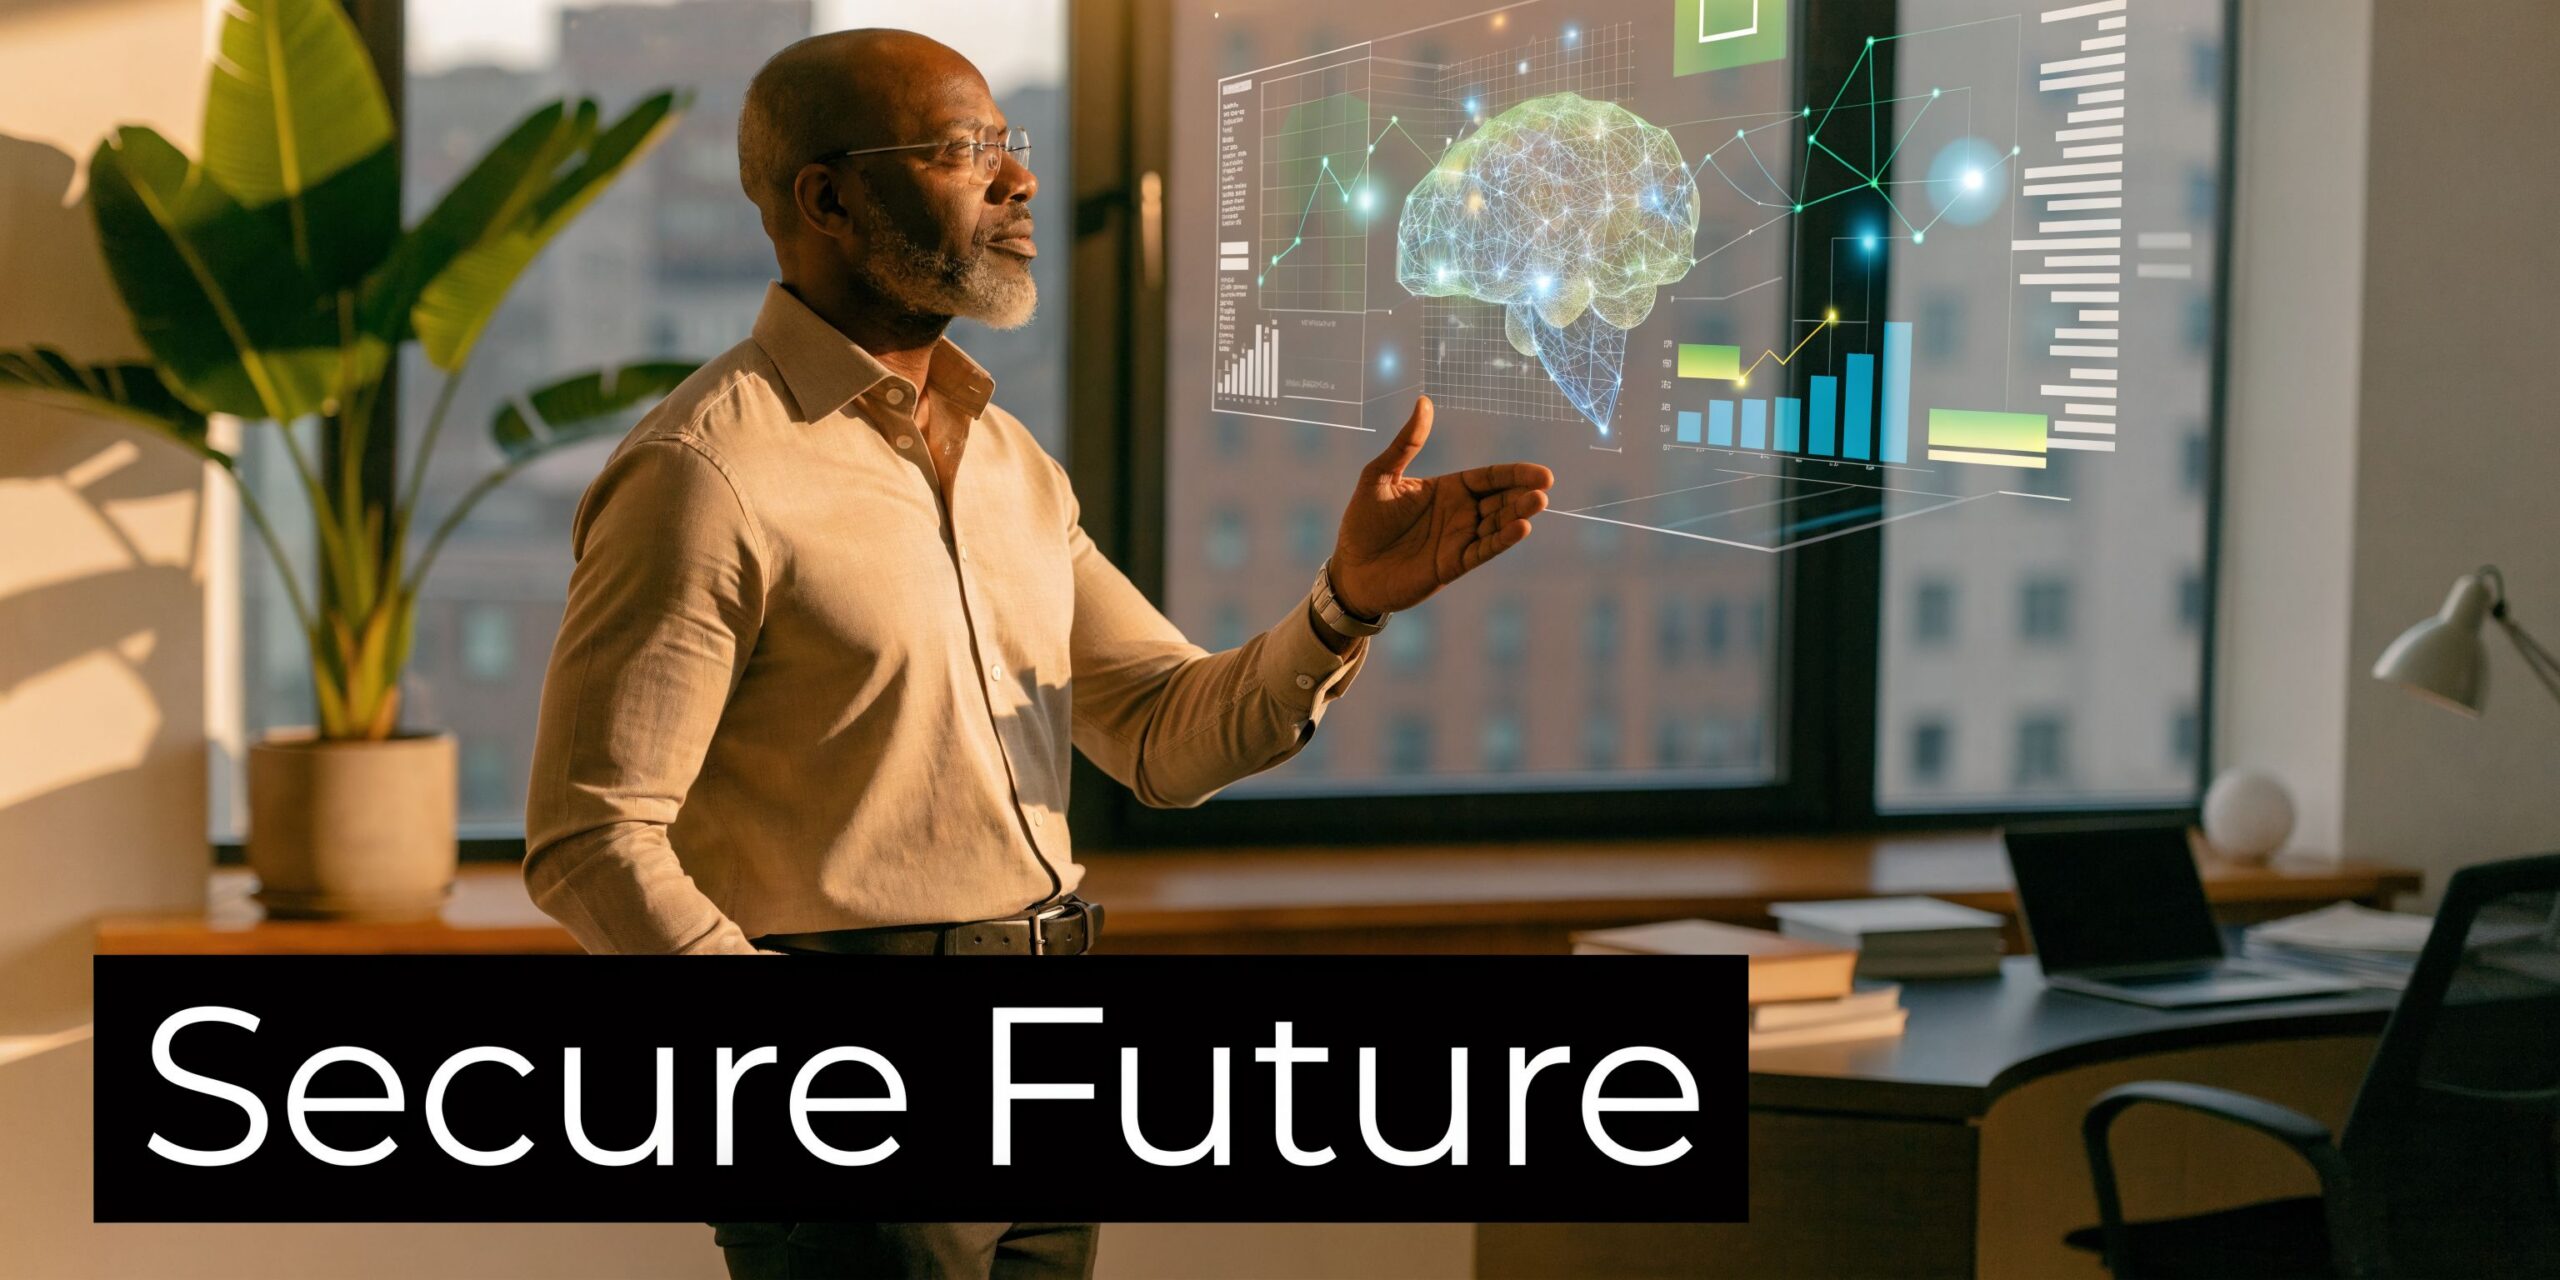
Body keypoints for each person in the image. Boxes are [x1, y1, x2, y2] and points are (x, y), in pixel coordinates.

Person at [520, 26, 1554, 1280]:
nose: (1018, 182)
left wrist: (1343, 603)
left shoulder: (1009, 464)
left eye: (1010, 147)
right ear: (828, 198)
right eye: (962, 153)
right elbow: (590, 835)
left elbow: (1166, 737)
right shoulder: (705, 475)